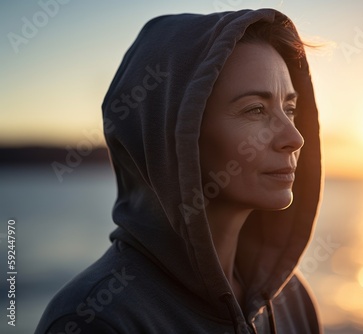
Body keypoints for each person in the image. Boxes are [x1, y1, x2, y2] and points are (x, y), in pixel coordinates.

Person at [35, 8, 322, 333]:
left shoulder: (291, 299)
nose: (295, 138)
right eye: (255, 109)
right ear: (175, 135)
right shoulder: (97, 320)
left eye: (290, 109)